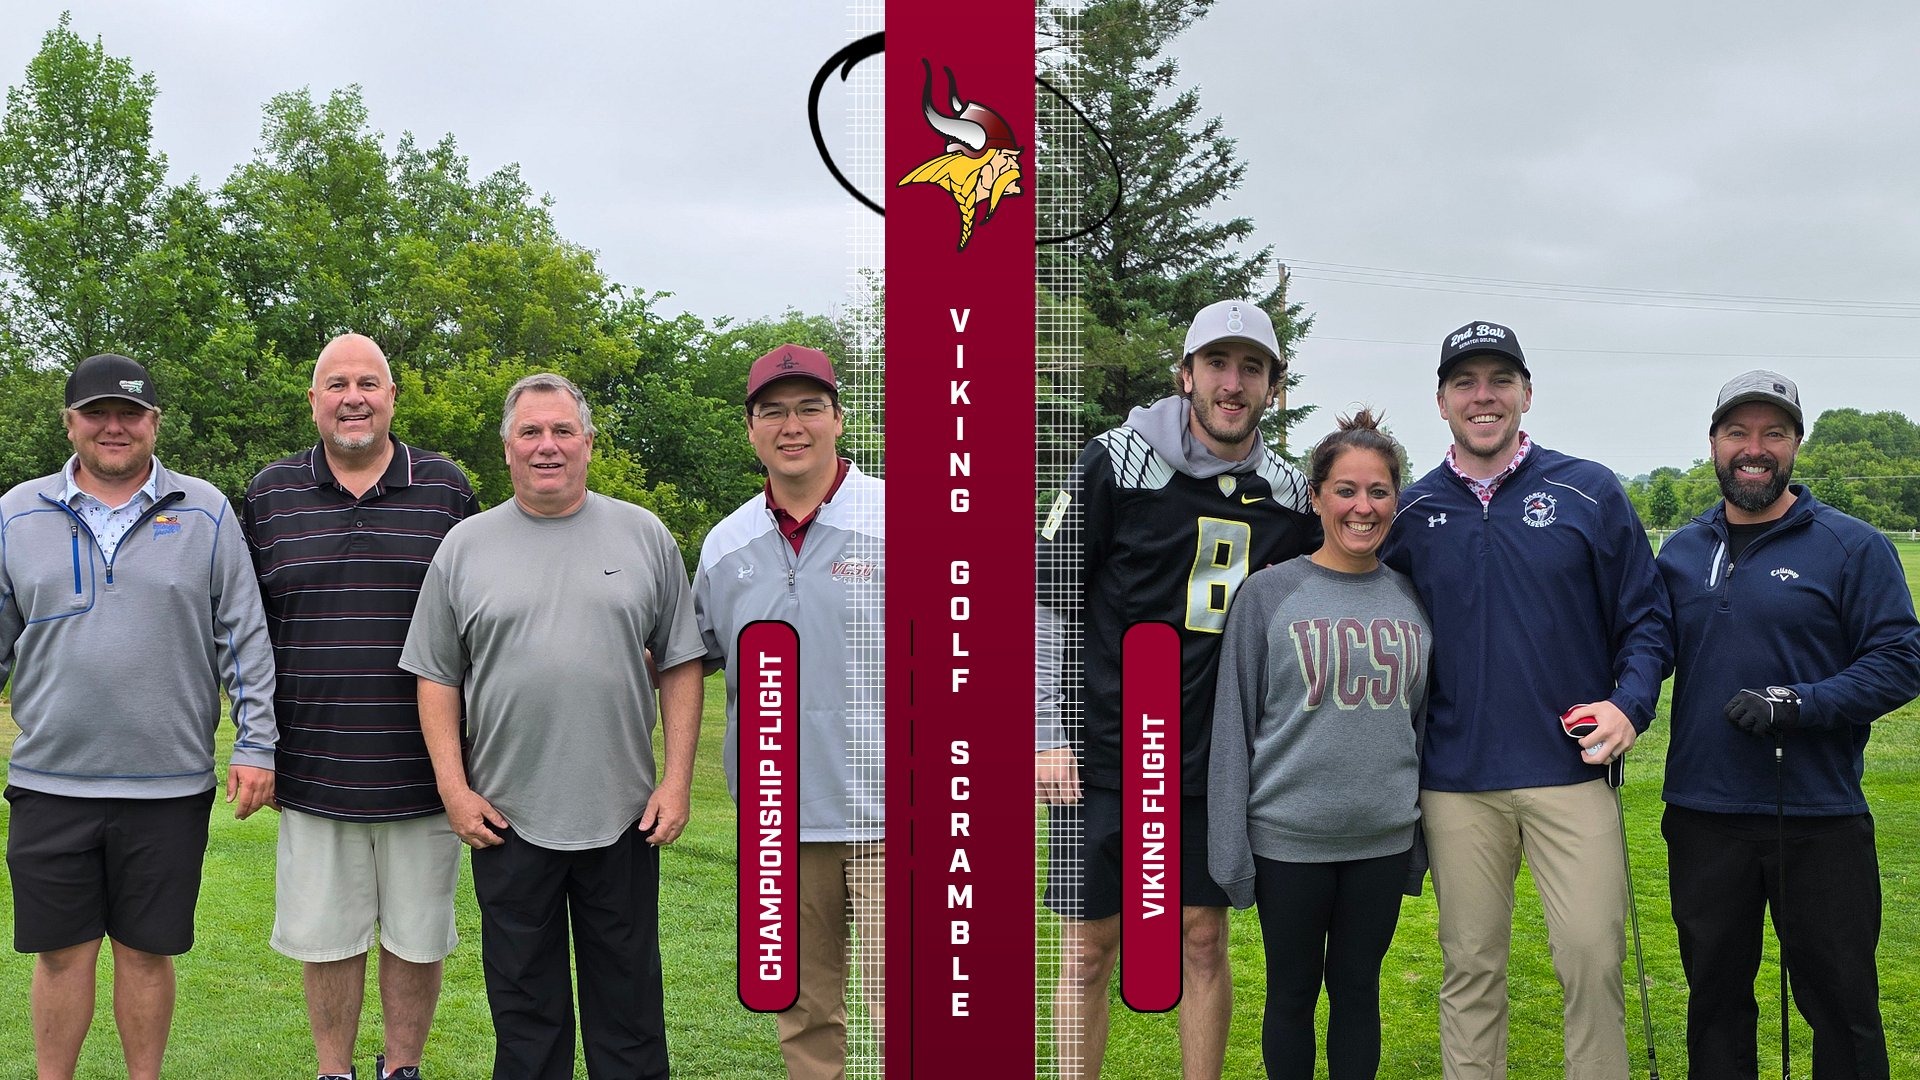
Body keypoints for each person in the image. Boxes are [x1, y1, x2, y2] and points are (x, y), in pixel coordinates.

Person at [1037, 299, 1320, 1079]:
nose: (1234, 384)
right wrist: (1043, 732)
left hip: (1212, 753)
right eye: (1219, 365)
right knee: (1091, 947)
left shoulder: (1292, 493)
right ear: (1185, 375)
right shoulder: (1115, 460)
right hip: (1099, 749)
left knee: (1201, 935)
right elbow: (1044, 595)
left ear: (1273, 387)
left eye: (1252, 368)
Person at [1379, 321, 1669, 1080]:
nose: (1484, 396)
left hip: (1569, 772)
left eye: (1499, 381)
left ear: (1525, 393)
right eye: (1466, 383)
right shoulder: (1409, 513)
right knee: (1470, 968)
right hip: (1456, 780)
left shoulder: (1589, 490)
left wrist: (1629, 706)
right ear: (1441, 400)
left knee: (1592, 957)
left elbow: (1646, 620)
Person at [398, 373, 705, 1080]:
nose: (547, 446)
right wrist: (454, 789)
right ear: (506, 450)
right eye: (530, 432)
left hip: (624, 814)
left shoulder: (644, 535)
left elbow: (683, 662)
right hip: (508, 819)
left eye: (562, 430)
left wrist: (677, 782)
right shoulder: (465, 547)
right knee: (526, 1020)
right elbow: (436, 676)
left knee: (628, 1016)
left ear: (588, 444)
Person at [1, 353, 278, 1080]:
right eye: (97, 413)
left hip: (168, 784)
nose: (114, 427)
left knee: (147, 952)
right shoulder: (16, 513)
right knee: (60, 956)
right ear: (70, 423)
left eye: (130, 413)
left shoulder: (207, 510)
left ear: (155, 423)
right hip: (51, 782)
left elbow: (243, 635)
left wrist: (257, 744)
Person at [1655, 370, 1920, 1079]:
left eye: (1774, 433)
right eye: (1738, 432)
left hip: (1820, 816)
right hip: (1703, 813)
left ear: (1796, 445)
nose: (1755, 448)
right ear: (1713, 443)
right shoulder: (1680, 552)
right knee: (1714, 1003)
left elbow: (1900, 659)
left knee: (1842, 1007)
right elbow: (1641, 648)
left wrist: (1801, 703)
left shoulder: (1852, 547)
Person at [242, 333, 479, 1080]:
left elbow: (476, 621)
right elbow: (247, 632)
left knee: (417, 938)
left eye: (369, 383)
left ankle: (401, 1068)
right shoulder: (269, 493)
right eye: (337, 383)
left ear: (392, 397)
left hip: (425, 769)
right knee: (326, 938)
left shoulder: (446, 488)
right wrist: (260, 746)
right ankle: (334, 1072)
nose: (354, 397)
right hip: (313, 766)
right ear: (312, 400)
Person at [1208, 410, 1431, 1080]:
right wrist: (1231, 849)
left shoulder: (1411, 600)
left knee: (1359, 994)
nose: (1363, 508)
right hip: (1288, 844)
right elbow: (1232, 726)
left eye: (1379, 491)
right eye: (1345, 490)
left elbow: (1415, 727)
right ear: (1316, 497)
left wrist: (1416, 843)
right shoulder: (1268, 596)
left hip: (1382, 844)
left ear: (1397, 498)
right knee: (1293, 996)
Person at [693, 344, 885, 1078]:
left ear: (839, 418)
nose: (792, 425)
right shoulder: (725, 544)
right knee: (805, 1013)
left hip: (893, 816)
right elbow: (685, 662)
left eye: (809, 407)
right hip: (779, 824)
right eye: (773, 410)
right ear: (751, 429)